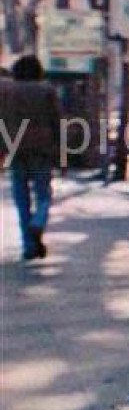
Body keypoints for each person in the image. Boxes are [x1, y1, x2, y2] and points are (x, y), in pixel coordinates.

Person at [0, 55, 61, 260]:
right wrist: (62, 154)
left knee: (21, 198)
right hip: (42, 148)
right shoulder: (47, 90)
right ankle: (38, 222)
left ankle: (28, 245)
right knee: (44, 193)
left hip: (16, 147)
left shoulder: (8, 91)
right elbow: (56, 121)